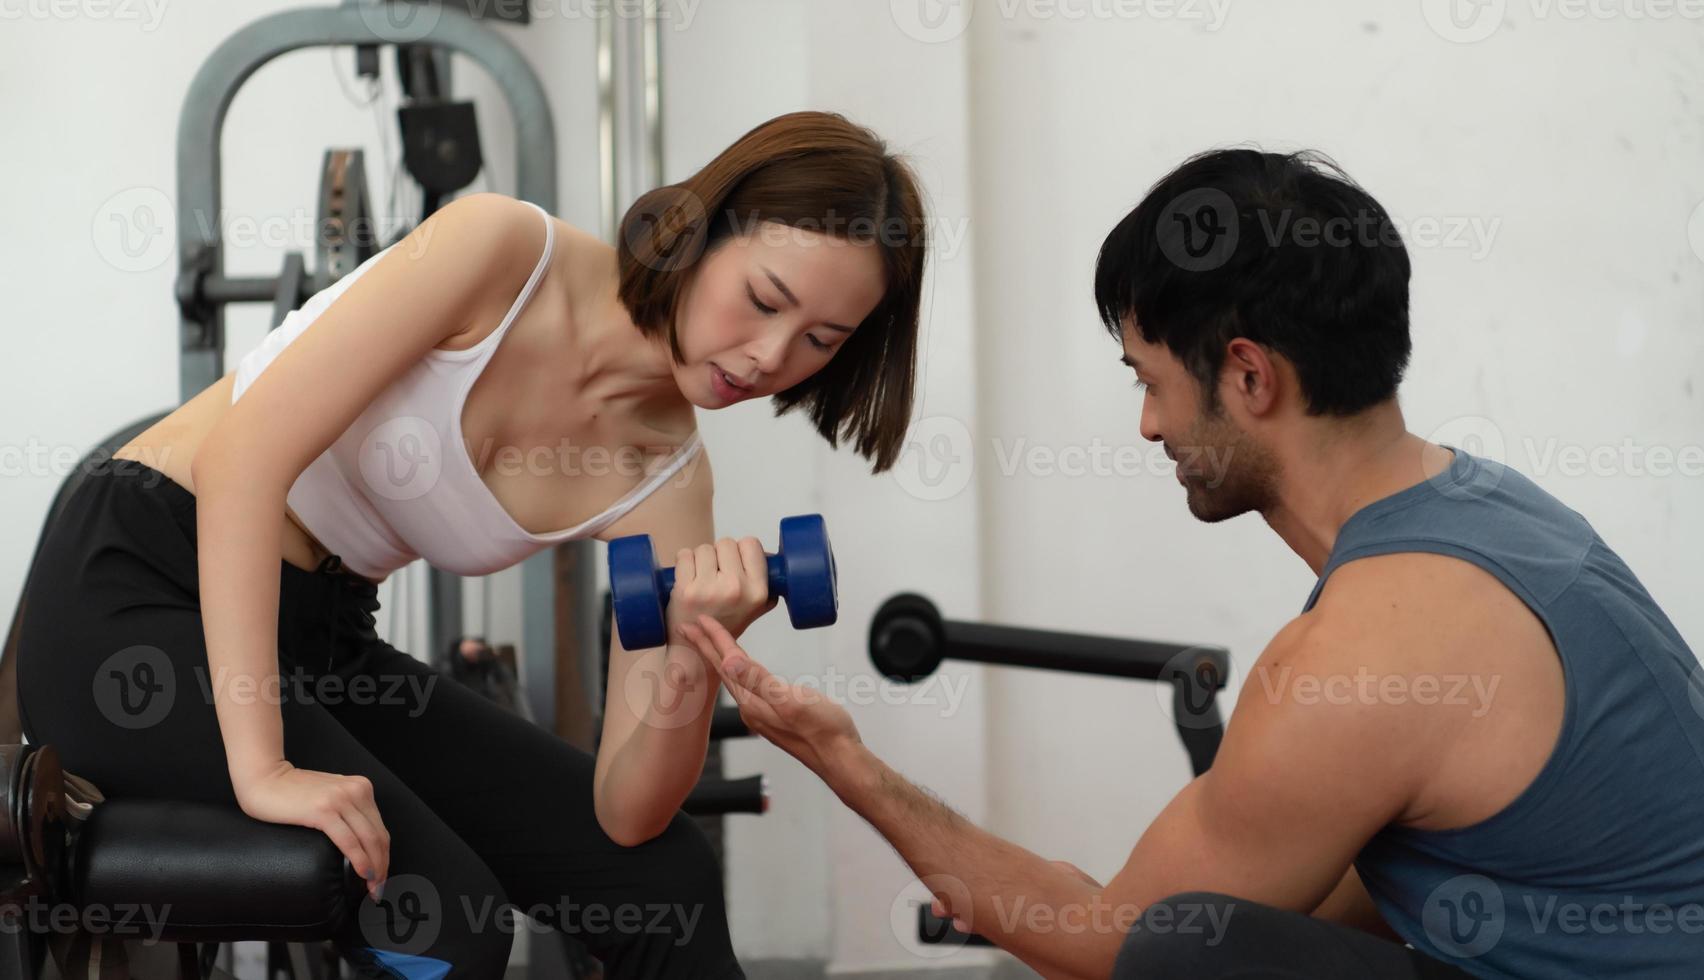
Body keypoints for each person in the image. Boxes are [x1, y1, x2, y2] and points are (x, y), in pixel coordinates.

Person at [676, 149, 1704, 979]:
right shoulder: (1482, 515)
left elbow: (1112, 942)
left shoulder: (1367, 650)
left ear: (1249, 374)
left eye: (1153, 378)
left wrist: (848, 763)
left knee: (1179, 948)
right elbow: (1336, 895)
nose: (1148, 422)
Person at [17, 110, 927, 979]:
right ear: (699, 231)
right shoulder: (502, 252)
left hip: (321, 638)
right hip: (133, 590)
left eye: (819, 339)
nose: (771, 356)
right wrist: (264, 769)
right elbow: (240, 462)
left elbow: (627, 812)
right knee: (447, 922)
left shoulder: (667, 478)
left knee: (662, 879)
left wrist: (696, 644)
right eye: (763, 299)